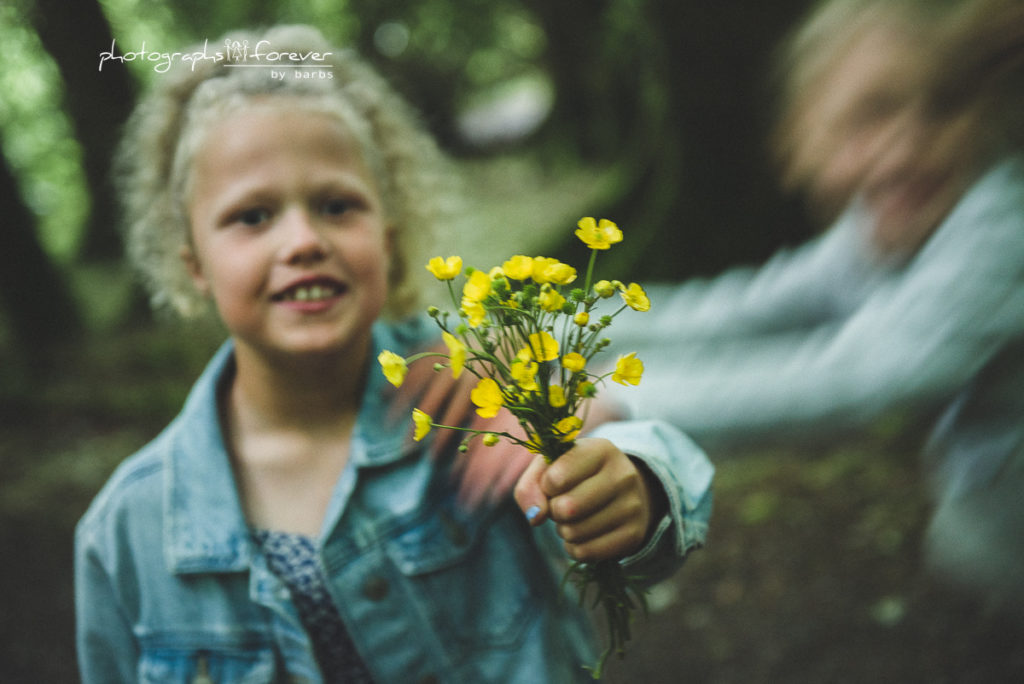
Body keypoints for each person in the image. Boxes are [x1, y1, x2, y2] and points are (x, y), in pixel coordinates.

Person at [74, 25, 714, 684]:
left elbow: (642, 488)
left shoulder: (477, 393)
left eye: (335, 205)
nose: (302, 240)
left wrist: (633, 483)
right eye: (253, 216)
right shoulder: (125, 534)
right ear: (194, 266)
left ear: (388, 235)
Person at [596, 0, 1024, 608]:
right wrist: (561, 328)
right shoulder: (874, 232)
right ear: (797, 142)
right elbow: (741, 309)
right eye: (868, 117)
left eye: (942, 106)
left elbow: (864, 376)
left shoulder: (1002, 223)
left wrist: (618, 398)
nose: (906, 146)